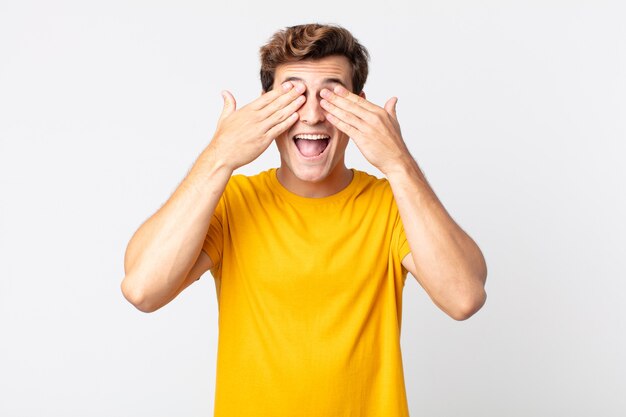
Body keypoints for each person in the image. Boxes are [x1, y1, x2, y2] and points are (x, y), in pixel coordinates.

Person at [121, 23, 487, 417]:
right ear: (266, 107)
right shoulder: (233, 203)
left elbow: (463, 297)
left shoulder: (391, 205)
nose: (312, 115)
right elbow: (143, 289)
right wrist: (219, 156)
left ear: (360, 108)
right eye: (293, 95)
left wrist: (399, 163)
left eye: (331, 96)